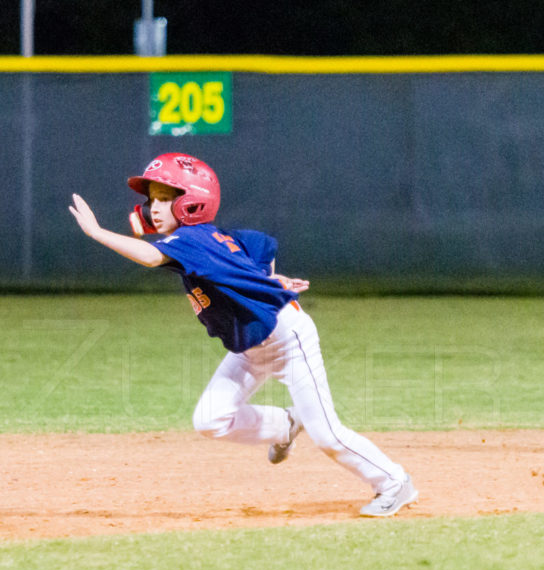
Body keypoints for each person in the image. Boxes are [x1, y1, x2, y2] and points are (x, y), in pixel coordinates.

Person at [68, 152, 417, 517]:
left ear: (191, 201)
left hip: (286, 339)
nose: (154, 207)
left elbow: (151, 257)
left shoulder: (191, 239)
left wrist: (96, 233)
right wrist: (266, 280)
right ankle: (286, 424)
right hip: (250, 347)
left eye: (165, 197)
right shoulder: (210, 238)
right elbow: (261, 245)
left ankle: (394, 482)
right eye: (152, 198)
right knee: (210, 420)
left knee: (327, 435)